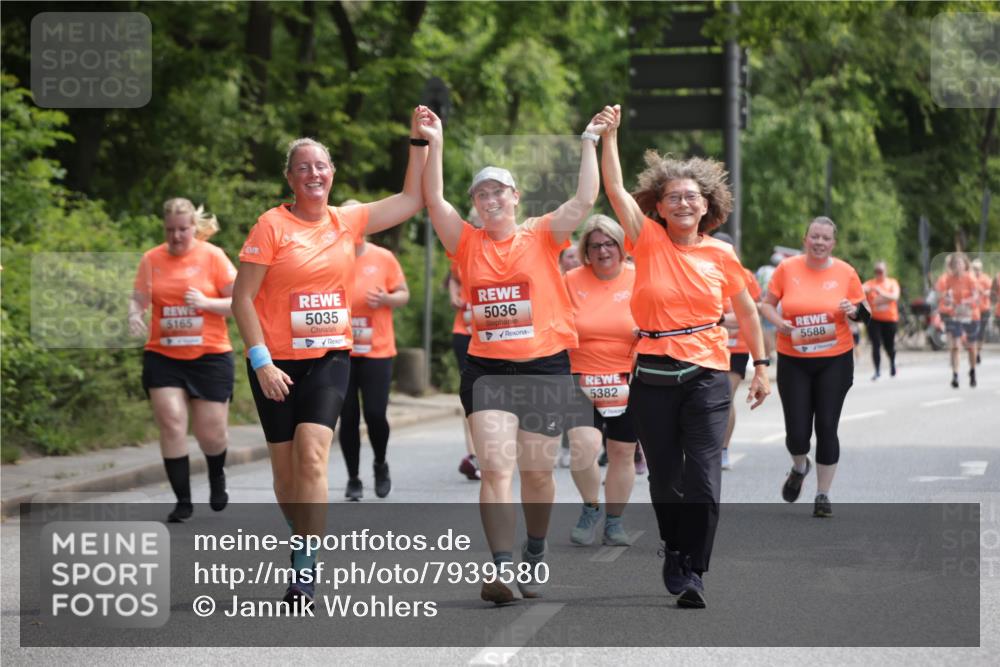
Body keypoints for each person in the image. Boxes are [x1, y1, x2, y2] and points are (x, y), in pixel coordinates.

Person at [231, 109, 427, 607]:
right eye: (303, 167)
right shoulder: (272, 226)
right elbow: (241, 299)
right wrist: (260, 362)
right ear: (290, 177)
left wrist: (420, 142)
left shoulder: (348, 220)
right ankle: (303, 537)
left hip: (330, 358)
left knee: (313, 454)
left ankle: (304, 563)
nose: (313, 174)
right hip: (274, 363)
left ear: (332, 173)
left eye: (321, 165)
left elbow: (411, 198)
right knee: (285, 475)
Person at [417, 105, 609, 604]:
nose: (489, 200)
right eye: (481, 194)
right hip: (488, 371)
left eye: (497, 191)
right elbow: (433, 198)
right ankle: (501, 567)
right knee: (497, 469)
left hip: (545, 368)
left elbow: (587, 197)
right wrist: (434, 143)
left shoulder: (542, 233)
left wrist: (589, 138)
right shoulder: (465, 242)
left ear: (514, 197)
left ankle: (535, 551)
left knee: (538, 475)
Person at [601, 104, 770, 609]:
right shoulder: (645, 238)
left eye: (690, 197)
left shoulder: (722, 254)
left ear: (706, 206)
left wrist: (761, 366)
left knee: (703, 476)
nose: (681, 203)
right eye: (672, 196)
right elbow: (613, 190)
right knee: (666, 478)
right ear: (659, 204)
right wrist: (610, 137)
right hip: (652, 372)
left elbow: (748, 312)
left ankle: (695, 569)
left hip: (708, 373)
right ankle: (674, 545)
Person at [129, 198, 237, 523]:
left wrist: (206, 302)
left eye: (183, 230)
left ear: (194, 228)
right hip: (164, 354)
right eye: (170, 230)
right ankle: (183, 501)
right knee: (172, 422)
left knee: (210, 434)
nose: (176, 237)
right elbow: (138, 298)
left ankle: (217, 475)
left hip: (210, 355)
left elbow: (239, 302)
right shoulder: (152, 259)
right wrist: (135, 315)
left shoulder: (213, 256)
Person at [761, 216, 868, 521]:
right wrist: (780, 323)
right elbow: (766, 305)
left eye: (826, 238)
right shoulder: (787, 269)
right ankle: (799, 467)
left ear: (833, 243)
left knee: (826, 427)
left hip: (834, 359)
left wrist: (854, 310)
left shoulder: (845, 272)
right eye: (815, 237)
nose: (820, 243)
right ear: (805, 239)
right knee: (797, 433)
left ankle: (823, 495)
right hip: (794, 359)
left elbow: (865, 314)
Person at [563, 214, 639, 547]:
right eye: (595, 246)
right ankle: (591, 506)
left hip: (629, 379)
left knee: (622, 452)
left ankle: (614, 522)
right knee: (583, 448)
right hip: (580, 379)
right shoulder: (570, 280)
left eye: (609, 244)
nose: (603, 251)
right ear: (586, 251)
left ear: (621, 247)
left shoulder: (640, 278)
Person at [340, 220, 410, 501]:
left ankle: (380, 464)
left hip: (377, 350)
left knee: (375, 413)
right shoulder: (329, 258)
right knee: (348, 417)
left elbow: (403, 295)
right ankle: (353, 478)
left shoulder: (383, 258)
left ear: (364, 228)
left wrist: (385, 298)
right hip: (340, 350)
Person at [712, 232, 763, 471]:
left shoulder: (746, 276)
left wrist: (720, 320)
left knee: (724, 397)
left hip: (736, 348)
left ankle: (723, 449)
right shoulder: (702, 272)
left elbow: (752, 312)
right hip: (709, 348)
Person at [934, 252, 980, 388]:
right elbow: (942, 296)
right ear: (951, 266)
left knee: (971, 347)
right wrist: (947, 299)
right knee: (955, 346)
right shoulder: (948, 279)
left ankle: (972, 371)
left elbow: (976, 296)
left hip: (971, 315)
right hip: (955, 315)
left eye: (960, 263)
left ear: (965, 265)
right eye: (955, 264)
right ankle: (955, 375)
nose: (958, 266)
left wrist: (966, 301)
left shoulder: (971, 278)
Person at [863, 260, 900, 380]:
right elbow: (859, 290)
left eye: (881, 271)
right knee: (876, 344)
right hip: (874, 319)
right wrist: (865, 290)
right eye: (876, 271)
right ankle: (877, 370)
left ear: (885, 271)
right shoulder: (870, 283)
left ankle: (892, 362)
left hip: (890, 319)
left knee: (889, 346)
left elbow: (895, 296)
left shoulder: (892, 283)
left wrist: (881, 293)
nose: (878, 273)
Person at [971, 258, 992, 364]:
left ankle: (978, 352)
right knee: (973, 332)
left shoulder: (986, 278)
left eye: (978, 269)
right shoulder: (969, 279)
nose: (976, 271)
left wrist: (983, 292)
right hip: (972, 310)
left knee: (980, 333)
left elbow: (991, 292)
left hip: (984, 309)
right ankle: (974, 352)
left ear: (981, 269)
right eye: (974, 268)